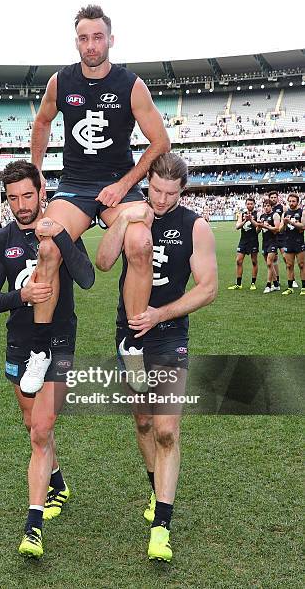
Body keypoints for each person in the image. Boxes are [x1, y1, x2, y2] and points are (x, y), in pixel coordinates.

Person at [24, 3, 170, 393]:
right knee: (48, 246)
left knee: (141, 242)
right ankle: (40, 351)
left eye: (98, 37)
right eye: (84, 38)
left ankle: (132, 344)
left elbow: (161, 142)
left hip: (116, 187)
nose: (91, 45)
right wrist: (37, 174)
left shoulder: (131, 84)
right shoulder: (60, 82)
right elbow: (42, 121)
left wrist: (124, 185)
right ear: (77, 42)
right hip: (73, 186)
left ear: (110, 39)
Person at [96, 153, 218, 563]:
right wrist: (128, 216)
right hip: (129, 333)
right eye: (156, 190)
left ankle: (161, 525)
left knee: (166, 429)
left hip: (168, 334)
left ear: (183, 191)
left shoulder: (195, 226)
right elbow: (104, 261)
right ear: (146, 179)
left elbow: (208, 288)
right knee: (144, 420)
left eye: (171, 193)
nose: (162, 200)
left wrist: (160, 314)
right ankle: (155, 489)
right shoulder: (133, 209)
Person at [0, 160, 95, 559]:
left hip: (60, 342)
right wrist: (22, 297)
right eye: (13, 198)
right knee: (33, 425)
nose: (21, 205)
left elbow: (87, 278)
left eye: (27, 195)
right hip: (20, 344)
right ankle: (58, 483)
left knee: (42, 428)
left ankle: (33, 526)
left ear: (41, 191)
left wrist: (63, 238)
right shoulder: (2, 241)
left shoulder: (62, 228)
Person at [227, 197, 259, 290]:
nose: (249, 205)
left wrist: (251, 220)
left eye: (251, 204)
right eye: (248, 204)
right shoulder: (242, 214)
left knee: (254, 261)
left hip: (253, 240)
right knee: (238, 261)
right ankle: (238, 283)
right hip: (243, 241)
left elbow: (259, 226)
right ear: (246, 205)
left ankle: (253, 283)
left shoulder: (257, 214)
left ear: (254, 204)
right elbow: (237, 226)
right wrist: (246, 220)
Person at [268, 190, 298, 288]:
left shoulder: (283, 208)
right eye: (271, 197)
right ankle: (277, 281)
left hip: (282, 237)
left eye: (274, 197)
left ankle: (293, 280)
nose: (273, 199)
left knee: (286, 259)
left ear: (278, 198)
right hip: (271, 238)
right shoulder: (267, 208)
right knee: (273, 260)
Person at [279, 193, 305, 295]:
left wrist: (291, 222)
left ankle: (303, 287)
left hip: (299, 242)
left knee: (302, 265)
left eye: (293, 201)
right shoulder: (285, 214)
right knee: (289, 265)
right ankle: (290, 288)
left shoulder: (301, 212)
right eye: (290, 201)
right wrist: (285, 223)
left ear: (297, 202)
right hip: (288, 242)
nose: (291, 203)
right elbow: (280, 230)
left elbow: (303, 226)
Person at [257, 199, 280, 293]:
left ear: (271, 206)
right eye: (265, 206)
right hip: (265, 242)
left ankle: (268, 285)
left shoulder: (275, 215)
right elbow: (257, 231)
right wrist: (259, 226)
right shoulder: (262, 216)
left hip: (273, 242)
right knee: (269, 264)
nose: (266, 207)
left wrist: (265, 226)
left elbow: (277, 229)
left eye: (268, 206)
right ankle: (276, 284)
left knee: (269, 263)